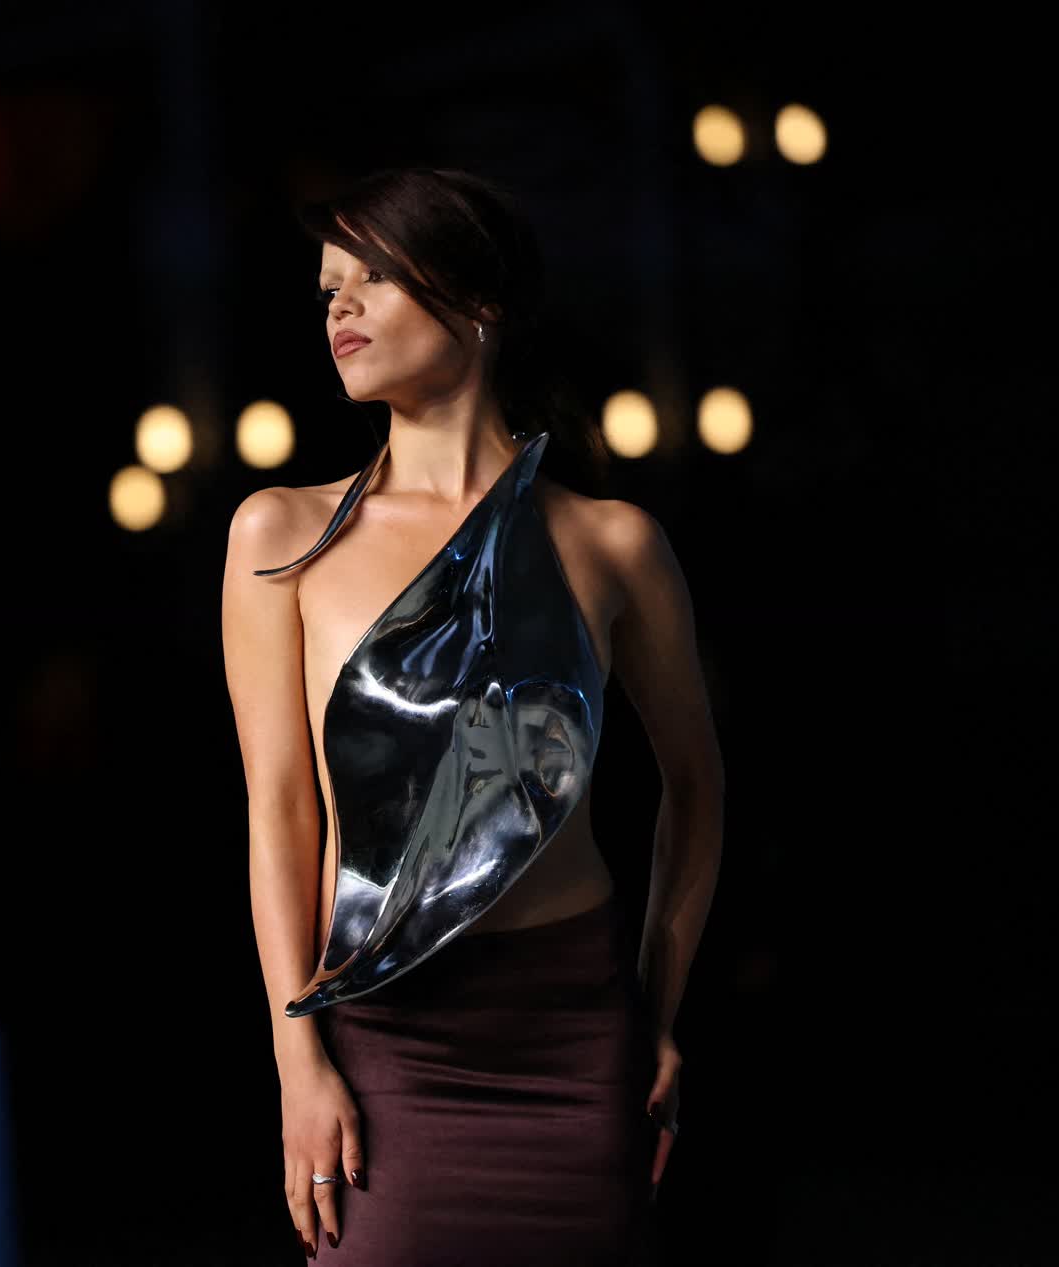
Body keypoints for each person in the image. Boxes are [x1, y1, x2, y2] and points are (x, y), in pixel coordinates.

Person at [221, 168, 725, 1264]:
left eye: (373, 276)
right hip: (385, 1038)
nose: (340, 306)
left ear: (479, 299)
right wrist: (298, 1061)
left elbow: (696, 787)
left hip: (575, 1031)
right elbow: (280, 812)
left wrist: (656, 1009)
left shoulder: (613, 544)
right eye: (327, 288)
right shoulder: (282, 534)